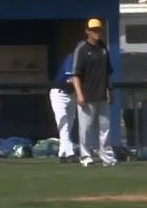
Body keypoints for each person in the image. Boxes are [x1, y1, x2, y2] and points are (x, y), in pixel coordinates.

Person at [70, 18, 116, 167]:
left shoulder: (103, 48)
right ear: (87, 31)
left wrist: (111, 90)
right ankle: (85, 156)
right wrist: (79, 94)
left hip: (102, 94)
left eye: (98, 29)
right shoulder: (81, 49)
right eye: (94, 30)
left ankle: (107, 156)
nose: (97, 32)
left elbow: (108, 72)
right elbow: (76, 74)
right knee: (86, 128)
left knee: (105, 127)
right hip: (87, 94)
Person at [49, 51, 78, 164]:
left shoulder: (85, 61)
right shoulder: (72, 57)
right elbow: (71, 79)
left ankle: (62, 153)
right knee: (63, 124)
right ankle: (70, 153)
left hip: (72, 94)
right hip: (59, 93)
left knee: (69, 125)